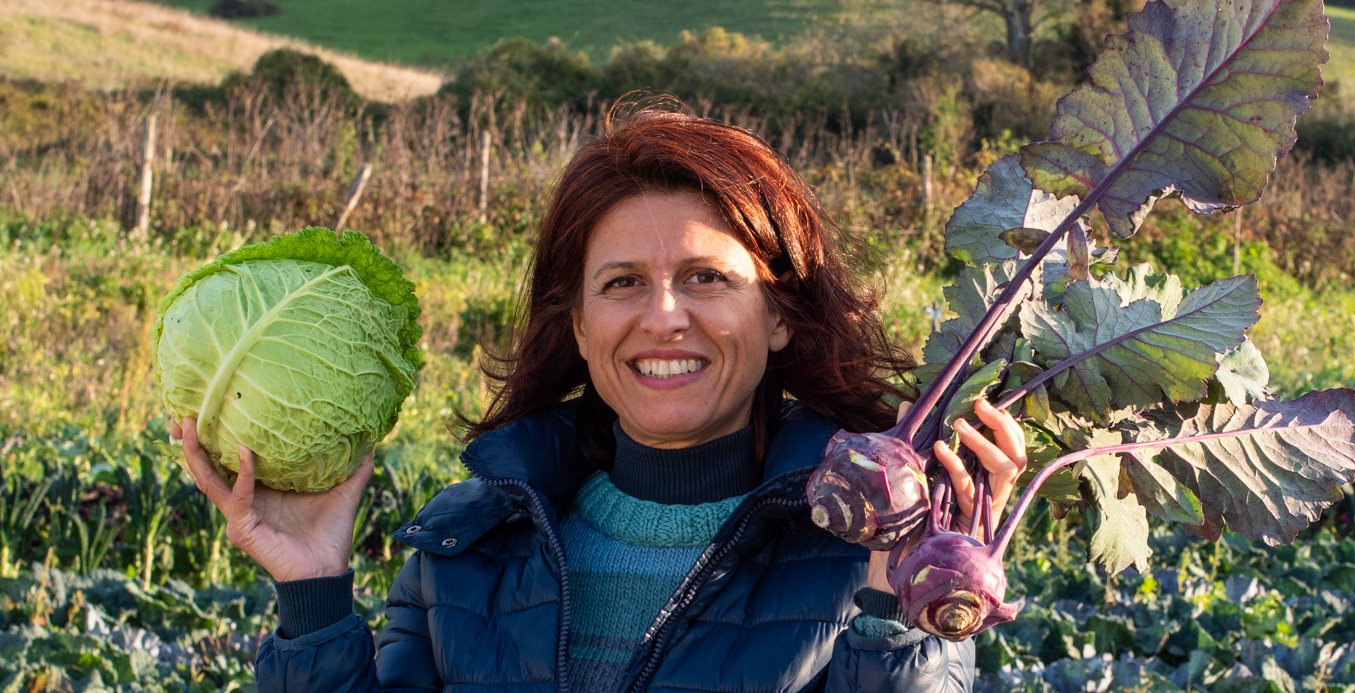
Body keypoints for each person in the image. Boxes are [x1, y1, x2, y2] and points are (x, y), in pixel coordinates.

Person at [172, 107, 1028, 692]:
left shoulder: (863, 557)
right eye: (622, 283)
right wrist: (314, 589)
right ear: (577, 325)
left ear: (777, 316)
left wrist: (900, 617)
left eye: (705, 277)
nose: (663, 317)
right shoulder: (464, 551)